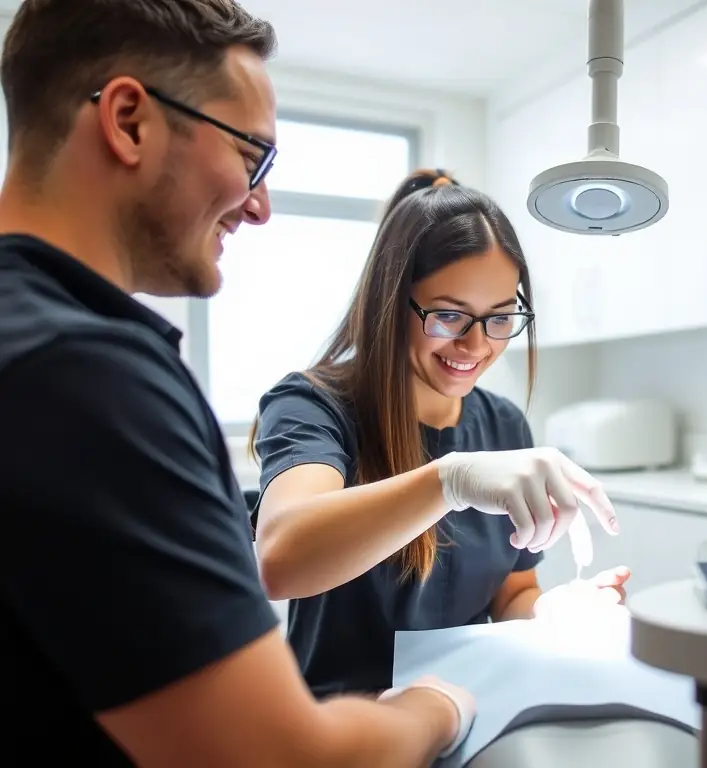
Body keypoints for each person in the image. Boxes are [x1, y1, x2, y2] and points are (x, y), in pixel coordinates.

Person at [0, 2, 477, 766]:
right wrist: (437, 709)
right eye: (252, 158)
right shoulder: (84, 375)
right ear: (128, 121)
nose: (259, 206)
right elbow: (282, 758)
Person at [250, 168, 631, 698]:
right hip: (348, 726)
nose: (476, 345)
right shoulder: (313, 407)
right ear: (391, 302)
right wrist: (450, 480)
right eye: (450, 316)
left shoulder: (502, 424)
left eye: (500, 318)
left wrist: (550, 610)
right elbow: (283, 558)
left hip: (469, 707)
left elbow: (512, 590)